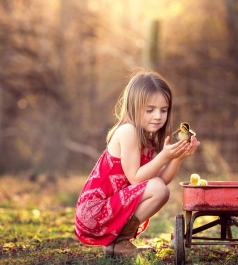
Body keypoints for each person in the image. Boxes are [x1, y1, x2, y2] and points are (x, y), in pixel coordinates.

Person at [74, 69, 200, 257]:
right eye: (150, 110)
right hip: (93, 212)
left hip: (111, 208)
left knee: (162, 190)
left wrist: (178, 157)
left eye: (163, 110)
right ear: (134, 107)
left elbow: (160, 181)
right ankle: (118, 243)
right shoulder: (129, 131)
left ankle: (119, 242)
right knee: (158, 189)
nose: (158, 116)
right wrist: (164, 157)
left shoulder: (149, 139)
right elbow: (135, 178)